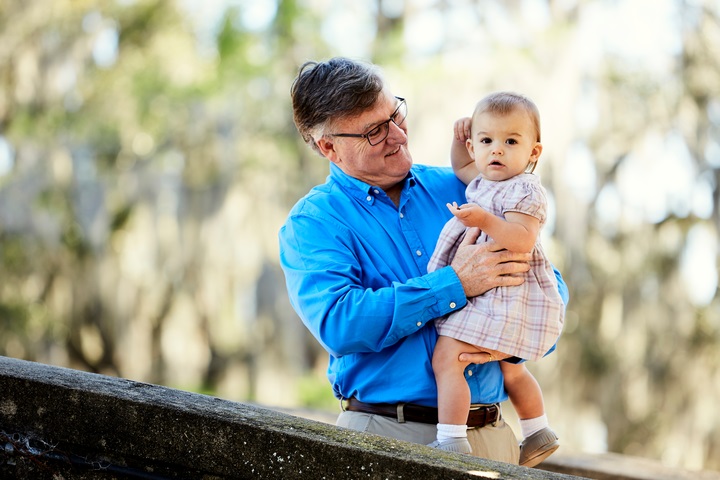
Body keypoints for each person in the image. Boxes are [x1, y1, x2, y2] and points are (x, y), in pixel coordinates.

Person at [278, 57, 568, 465]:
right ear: (329, 147)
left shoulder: (470, 186)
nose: (397, 135)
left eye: (395, 114)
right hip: (384, 436)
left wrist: (510, 339)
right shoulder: (314, 223)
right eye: (375, 132)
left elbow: (546, 282)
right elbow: (341, 322)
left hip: (493, 438)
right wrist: (455, 284)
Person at [427, 92, 565, 467]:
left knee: (447, 358)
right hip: (495, 293)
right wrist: (460, 140)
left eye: (510, 141)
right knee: (512, 366)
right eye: (486, 141)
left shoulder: (526, 188)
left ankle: (451, 440)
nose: (496, 151)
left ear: (534, 152)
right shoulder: (485, 182)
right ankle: (537, 430)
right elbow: (460, 166)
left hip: (501, 292)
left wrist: (485, 221)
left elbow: (522, 240)